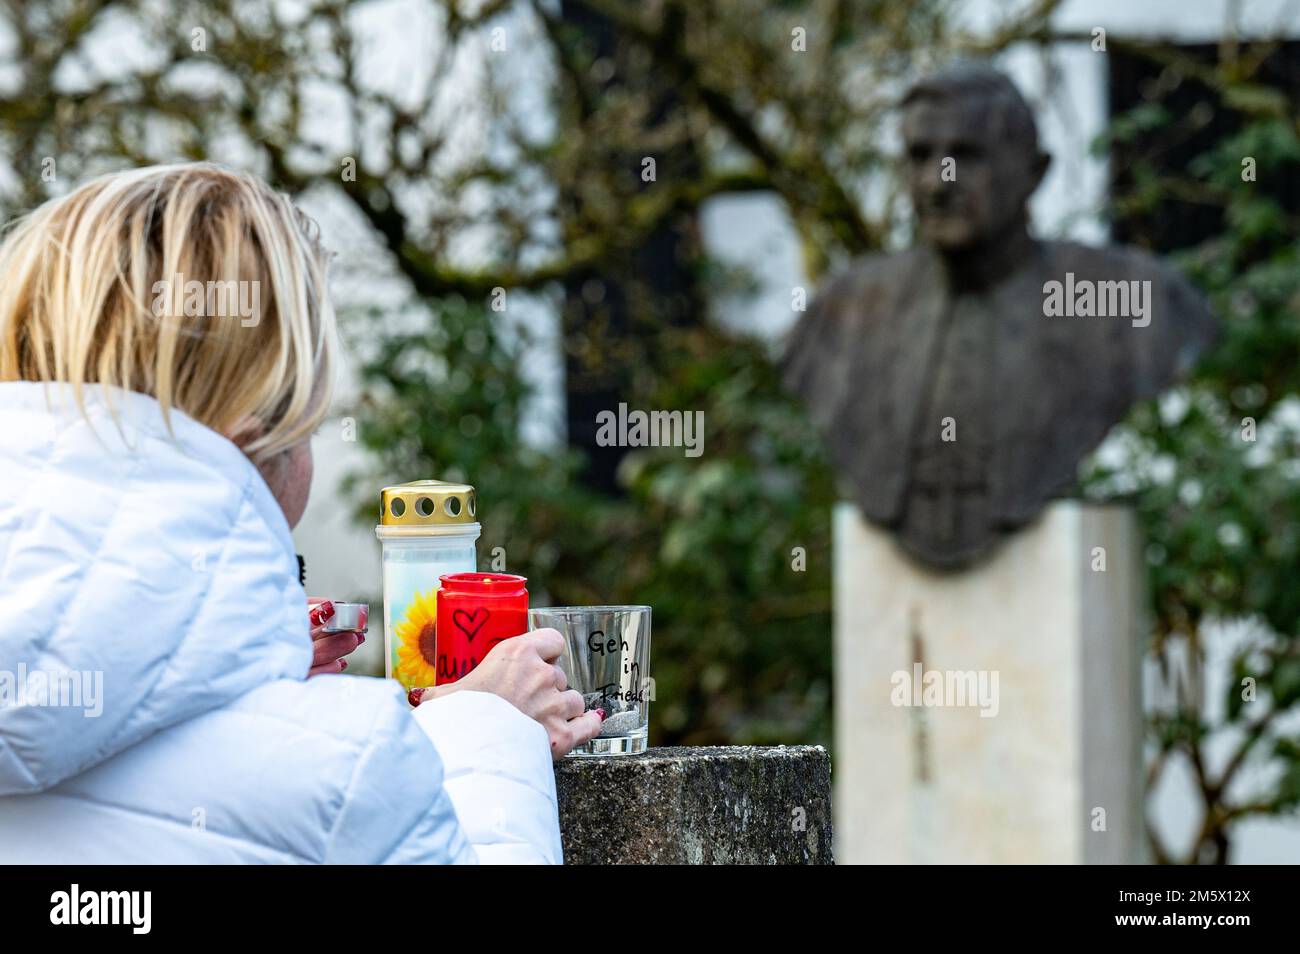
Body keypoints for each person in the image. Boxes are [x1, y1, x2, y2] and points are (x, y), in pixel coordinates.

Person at [0, 162, 602, 863]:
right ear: (257, 429)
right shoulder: (345, 775)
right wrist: (489, 728)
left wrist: (239, 664)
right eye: (311, 420)